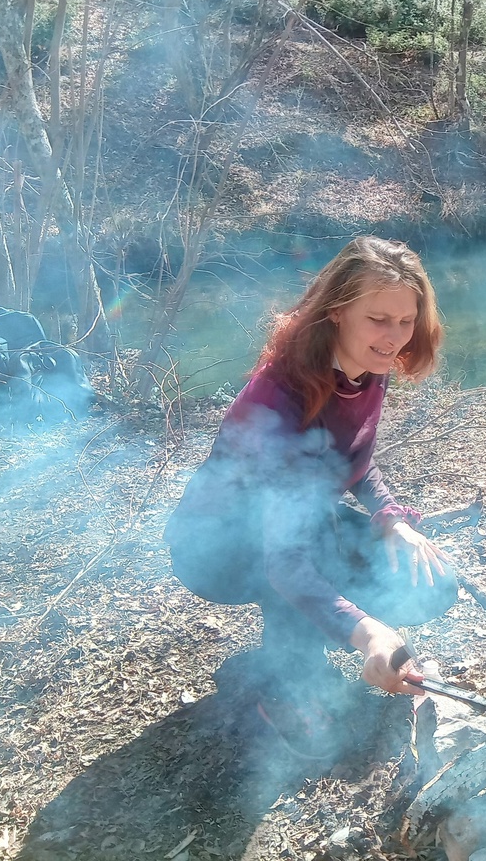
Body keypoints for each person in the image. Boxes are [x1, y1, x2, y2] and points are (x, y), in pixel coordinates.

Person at [166, 236, 457, 760]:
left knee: (429, 582)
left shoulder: (367, 368)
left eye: (406, 320)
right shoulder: (279, 400)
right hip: (217, 546)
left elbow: (353, 459)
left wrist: (392, 518)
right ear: (338, 311)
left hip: (294, 522)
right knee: (302, 567)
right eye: (379, 319)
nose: (394, 338)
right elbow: (286, 559)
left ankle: (308, 633)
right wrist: (366, 633)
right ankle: (283, 689)